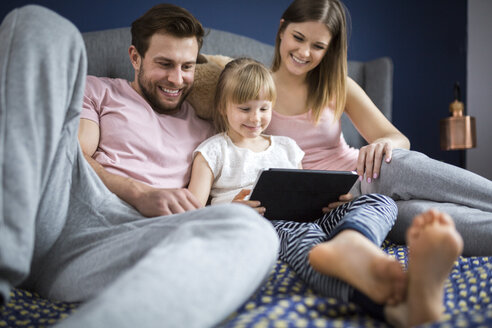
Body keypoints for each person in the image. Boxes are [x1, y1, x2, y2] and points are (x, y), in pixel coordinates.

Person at [0, 4, 280, 327]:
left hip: (120, 247)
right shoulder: (100, 91)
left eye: (187, 67)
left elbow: (265, 110)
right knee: (39, 22)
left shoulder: (208, 129)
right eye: (165, 64)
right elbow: (75, 158)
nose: (177, 79)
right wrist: (139, 192)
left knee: (254, 233)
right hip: (64, 211)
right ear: (135, 57)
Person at [187, 57, 464, 327]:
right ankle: (396, 308)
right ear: (223, 107)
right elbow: (191, 212)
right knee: (310, 242)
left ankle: (356, 239)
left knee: (378, 201)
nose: (256, 118)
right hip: (266, 225)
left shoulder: (286, 146)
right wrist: (230, 210)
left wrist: (331, 199)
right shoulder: (213, 150)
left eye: (264, 108)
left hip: (314, 216)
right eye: (245, 109)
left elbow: (302, 186)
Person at [264, 0, 492, 256]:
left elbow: (398, 138)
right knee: (425, 220)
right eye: (298, 37)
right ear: (282, 28)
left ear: (329, 50)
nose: (304, 52)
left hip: (364, 173)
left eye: (318, 46)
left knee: (395, 162)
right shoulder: (253, 88)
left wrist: (385, 144)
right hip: (348, 206)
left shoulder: (338, 85)